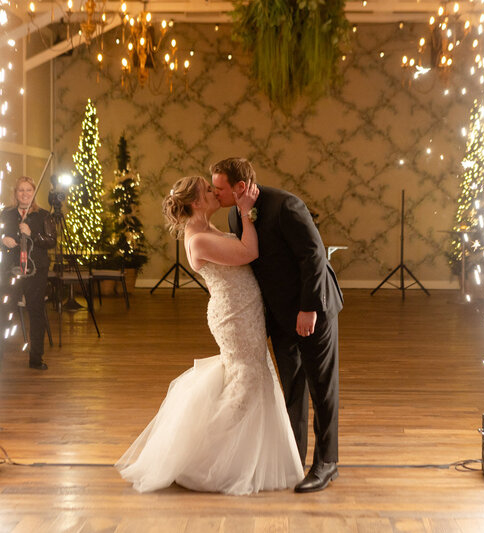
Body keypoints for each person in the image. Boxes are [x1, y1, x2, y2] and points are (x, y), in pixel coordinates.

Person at [115, 176, 303, 495]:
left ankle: (241, 459)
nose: (215, 193)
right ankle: (203, 463)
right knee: (246, 381)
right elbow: (248, 252)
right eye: (207, 190)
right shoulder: (198, 239)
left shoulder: (207, 228)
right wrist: (246, 212)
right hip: (234, 316)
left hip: (245, 312)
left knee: (248, 377)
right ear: (196, 203)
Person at [211, 158, 344, 493]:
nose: (215, 193)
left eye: (219, 188)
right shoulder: (235, 216)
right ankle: (293, 458)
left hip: (313, 310)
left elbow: (314, 256)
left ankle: (327, 463)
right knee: (292, 387)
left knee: (322, 387)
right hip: (280, 316)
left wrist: (308, 308)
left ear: (240, 187)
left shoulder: (286, 205)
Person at [0, 176, 56, 371]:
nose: (24, 194)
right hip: (10, 270)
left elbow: (51, 241)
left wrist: (32, 235)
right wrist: (2, 240)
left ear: (34, 193)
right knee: (4, 313)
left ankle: (36, 358)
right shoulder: (6, 214)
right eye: (21, 190)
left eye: (28, 190)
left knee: (36, 312)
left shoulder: (43, 215)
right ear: (15, 193)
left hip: (36, 271)